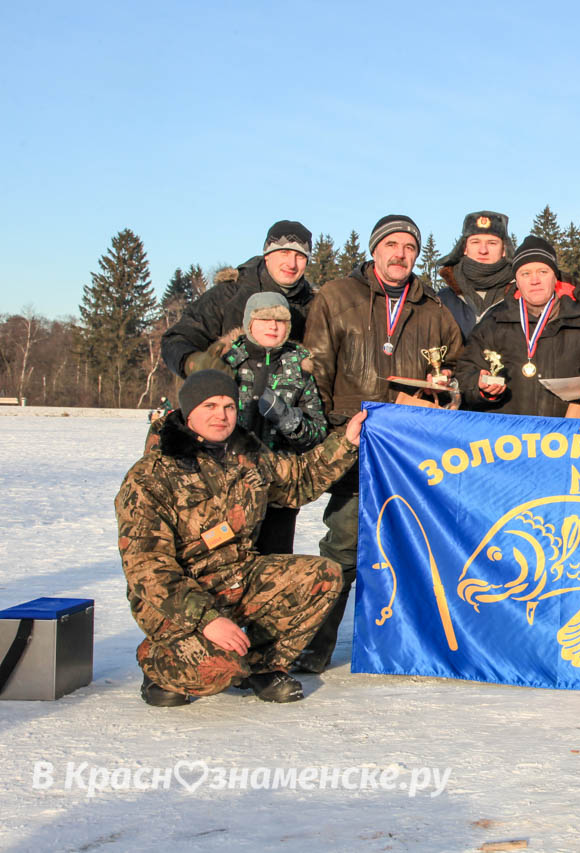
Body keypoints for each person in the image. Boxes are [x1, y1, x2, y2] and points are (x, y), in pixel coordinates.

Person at [115, 370, 367, 706]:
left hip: (237, 577)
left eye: (228, 406)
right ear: (189, 411)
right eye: (209, 406)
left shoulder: (246, 455)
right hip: (177, 597)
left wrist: (346, 442)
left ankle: (263, 667)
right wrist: (207, 621)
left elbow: (297, 481)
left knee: (324, 576)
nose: (221, 415)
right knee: (220, 669)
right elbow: (148, 569)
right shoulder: (150, 476)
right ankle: (159, 662)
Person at [301, 214, 463, 673]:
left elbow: (460, 366)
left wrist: (450, 381)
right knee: (344, 545)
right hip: (356, 440)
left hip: (412, 450)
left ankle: (414, 650)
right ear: (375, 249)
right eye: (391, 244)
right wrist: (333, 436)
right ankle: (314, 649)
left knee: (412, 544)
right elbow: (314, 370)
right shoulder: (337, 297)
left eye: (409, 247)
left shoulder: (432, 308)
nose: (400, 254)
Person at [169, 291, 327, 555]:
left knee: (274, 565)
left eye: (280, 321)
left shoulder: (300, 368)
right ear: (248, 324)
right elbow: (193, 417)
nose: (273, 327)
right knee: (224, 561)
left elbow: (317, 432)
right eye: (265, 320)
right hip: (226, 484)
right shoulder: (225, 361)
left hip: (279, 485)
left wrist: (289, 420)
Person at [457, 236, 580, 417]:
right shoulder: (493, 323)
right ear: (517, 281)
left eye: (543, 272)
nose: (534, 280)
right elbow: (465, 375)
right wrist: (480, 388)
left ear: (555, 278)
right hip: (507, 439)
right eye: (525, 274)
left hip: (567, 439)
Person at [161, 221, 315, 379]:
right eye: (284, 253)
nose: (292, 264)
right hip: (228, 396)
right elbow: (177, 338)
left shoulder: (314, 306)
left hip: (292, 401)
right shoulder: (228, 295)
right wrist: (193, 362)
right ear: (267, 255)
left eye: (300, 256)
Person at [436, 210, 517, 338]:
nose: (483, 250)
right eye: (475, 242)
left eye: (492, 243)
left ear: (504, 250)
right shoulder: (443, 300)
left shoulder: (520, 296)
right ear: (465, 248)